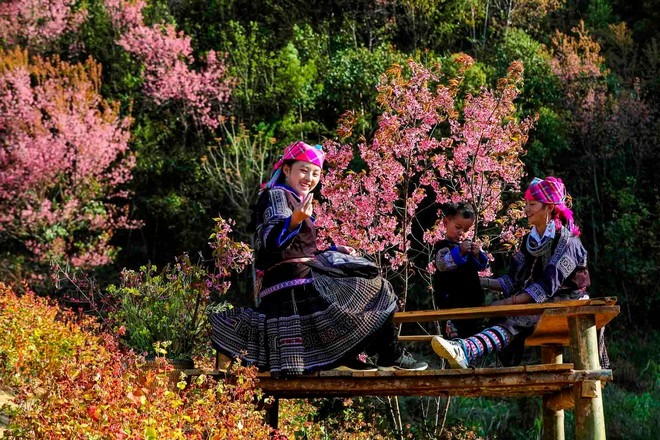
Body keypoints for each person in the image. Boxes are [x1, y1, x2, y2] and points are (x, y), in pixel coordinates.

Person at [210, 140, 427, 377]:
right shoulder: (277, 195)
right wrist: (295, 219)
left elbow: (299, 248)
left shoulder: (295, 199)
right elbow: (271, 242)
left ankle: (355, 355)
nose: (309, 178)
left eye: (315, 173)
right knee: (374, 286)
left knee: (366, 281)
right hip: (291, 284)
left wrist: (334, 249)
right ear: (286, 170)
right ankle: (389, 354)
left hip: (301, 274)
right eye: (303, 170)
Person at [432, 177, 591, 368]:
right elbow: (512, 279)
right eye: (526, 204)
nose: (527, 209)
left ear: (549, 208)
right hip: (537, 302)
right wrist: (478, 283)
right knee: (495, 314)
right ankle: (483, 361)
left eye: (532, 204)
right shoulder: (530, 240)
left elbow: (546, 287)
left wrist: (508, 302)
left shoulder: (568, 242)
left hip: (565, 301)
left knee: (513, 317)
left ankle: (466, 350)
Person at [432, 202, 488, 338]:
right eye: (458, 227)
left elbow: (481, 266)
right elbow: (442, 264)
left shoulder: (467, 247)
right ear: (446, 222)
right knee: (455, 337)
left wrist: (477, 255)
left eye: (466, 229)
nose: (461, 233)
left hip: (472, 302)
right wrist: (459, 252)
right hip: (451, 302)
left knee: (473, 336)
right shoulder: (442, 246)